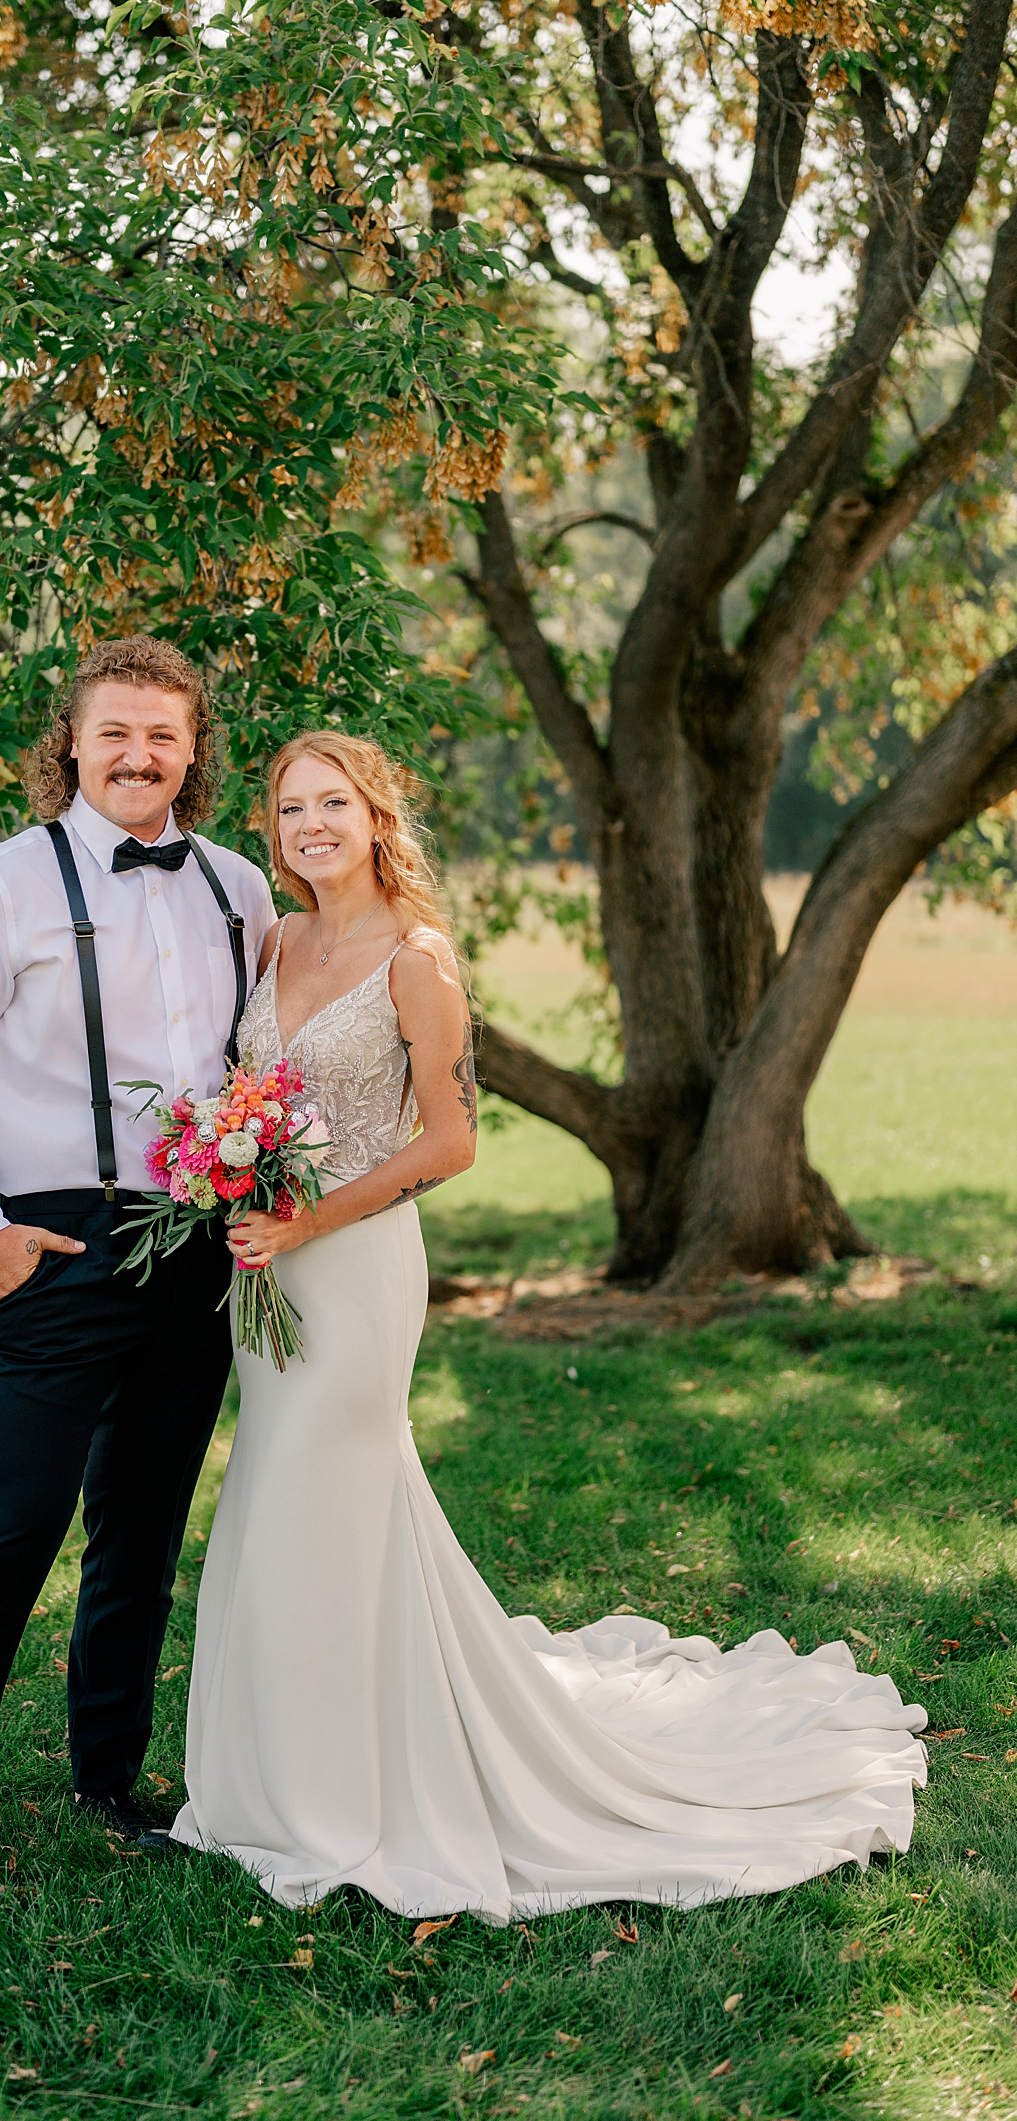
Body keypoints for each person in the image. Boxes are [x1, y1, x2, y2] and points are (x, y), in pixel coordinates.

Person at [170, 732, 927, 1921]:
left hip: (353, 1264)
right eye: (290, 806)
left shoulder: (417, 958)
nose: (310, 824)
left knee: (324, 1486)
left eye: (333, 803)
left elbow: (451, 1138)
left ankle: (348, 1791)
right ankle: (273, 1778)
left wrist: (310, 1219)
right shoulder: (273, 935)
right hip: (268, 1263)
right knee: (277, 1495)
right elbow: (249, 1093)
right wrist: (236, 1174)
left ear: (376, 817)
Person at [0, 638, 275, 1917]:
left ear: (195, 750)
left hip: (196, 1243)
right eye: (116, 734)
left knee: (142, 1535)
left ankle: (111, 1779)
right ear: (74, 744)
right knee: (2, 1540)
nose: (141, 755)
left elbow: (259, 1060)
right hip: (47, 1244)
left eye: (164, 734)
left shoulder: (238, 886)